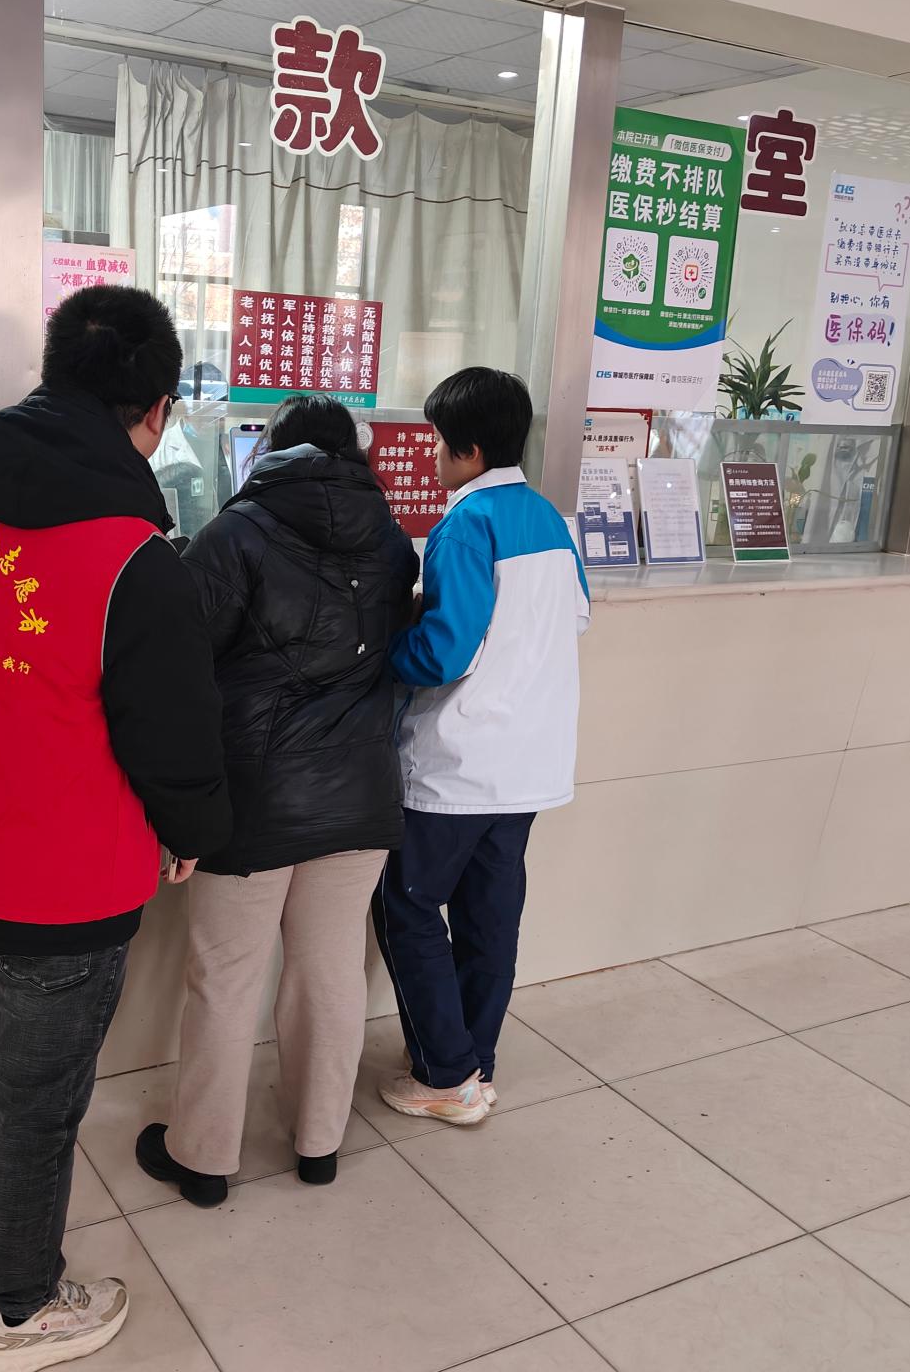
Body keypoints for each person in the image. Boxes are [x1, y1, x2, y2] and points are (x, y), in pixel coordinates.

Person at [0, 285, 230, 1372]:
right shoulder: (135, 561)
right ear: (156, 411)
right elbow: (175, 741)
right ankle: (19, 1311)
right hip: (59, 893)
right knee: (35, 1102)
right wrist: (194, 832)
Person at [133, 395, 419, 1207]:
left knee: (226, 979)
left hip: (253, 800)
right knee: (331, 972)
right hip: (359, 794)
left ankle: (204, 1160)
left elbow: (182, 653)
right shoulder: (391, 539)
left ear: (272, 452)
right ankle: (318, 1142)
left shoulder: (238, 532)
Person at [372, 367, 589, 1126]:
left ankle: (446, 1075)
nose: (430, 455)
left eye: (436, 441)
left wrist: (381, 654)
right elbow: (577, 616)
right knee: (489, 917)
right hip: (531, 763)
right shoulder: (548, 517)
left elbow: (443, 653)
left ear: (466, 450)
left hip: (460, 766)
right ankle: (473, 1063)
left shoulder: (466, 522)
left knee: (405, 907)